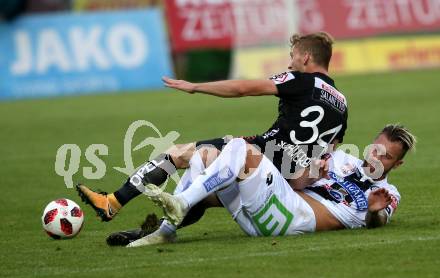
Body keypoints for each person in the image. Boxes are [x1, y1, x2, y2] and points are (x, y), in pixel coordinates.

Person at [76, 32, 348, 229]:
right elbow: (327, 155)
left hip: (262, 156)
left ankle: (112, 201)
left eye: (293, 57)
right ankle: (154, 232)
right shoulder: (342, 104)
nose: (289, 64)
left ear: (307, 57)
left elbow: (243, 88)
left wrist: (196, 87)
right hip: (286, 182)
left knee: (178, 154)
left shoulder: (299, 80)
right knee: (204, 195)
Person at [122, 124, 415, 248]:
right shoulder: (340, 159)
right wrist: (311, 173)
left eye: (386, 156)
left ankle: (181, 204)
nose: (376, 157)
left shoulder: (389, 194)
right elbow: (297, 181)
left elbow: (376, 222)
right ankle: (166, 231)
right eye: (376, 148)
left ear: (397, 165)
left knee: (241, 149)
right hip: (271, 210)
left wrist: (375, 211)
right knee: (206, 155)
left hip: (294, 219)